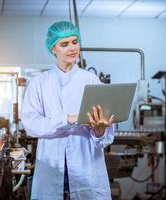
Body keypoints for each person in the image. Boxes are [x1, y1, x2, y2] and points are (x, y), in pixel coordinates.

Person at [21, 21, 114, 200]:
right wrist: (69, 119)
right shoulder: (39, 83)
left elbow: (103, 137)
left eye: (74, 42)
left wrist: (99, 130)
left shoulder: (92, 80)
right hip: (51, 163)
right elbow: (32, 124)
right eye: (64, 44)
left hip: (86, 167)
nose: (72, 48)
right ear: (53, 48)